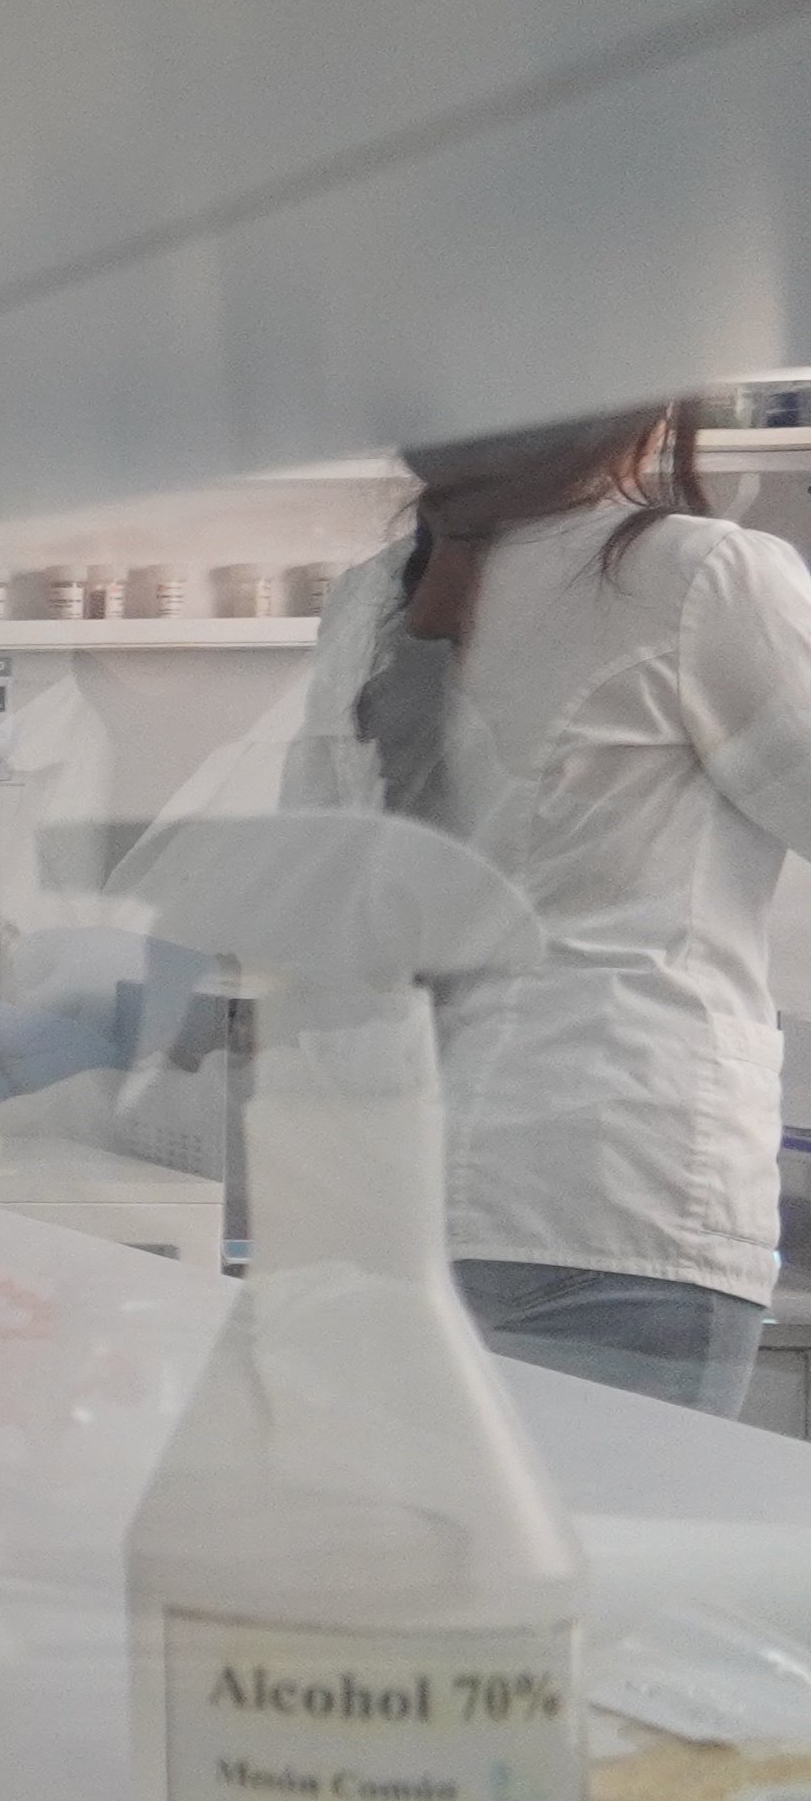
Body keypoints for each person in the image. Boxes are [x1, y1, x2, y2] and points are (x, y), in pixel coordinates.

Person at [291, 397, 811, 1414]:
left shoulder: (368, 603)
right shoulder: (697, 577)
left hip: (385, 1208)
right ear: (649, 403)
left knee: (441, 1570)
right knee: (624, 1566)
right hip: (618, 1202)